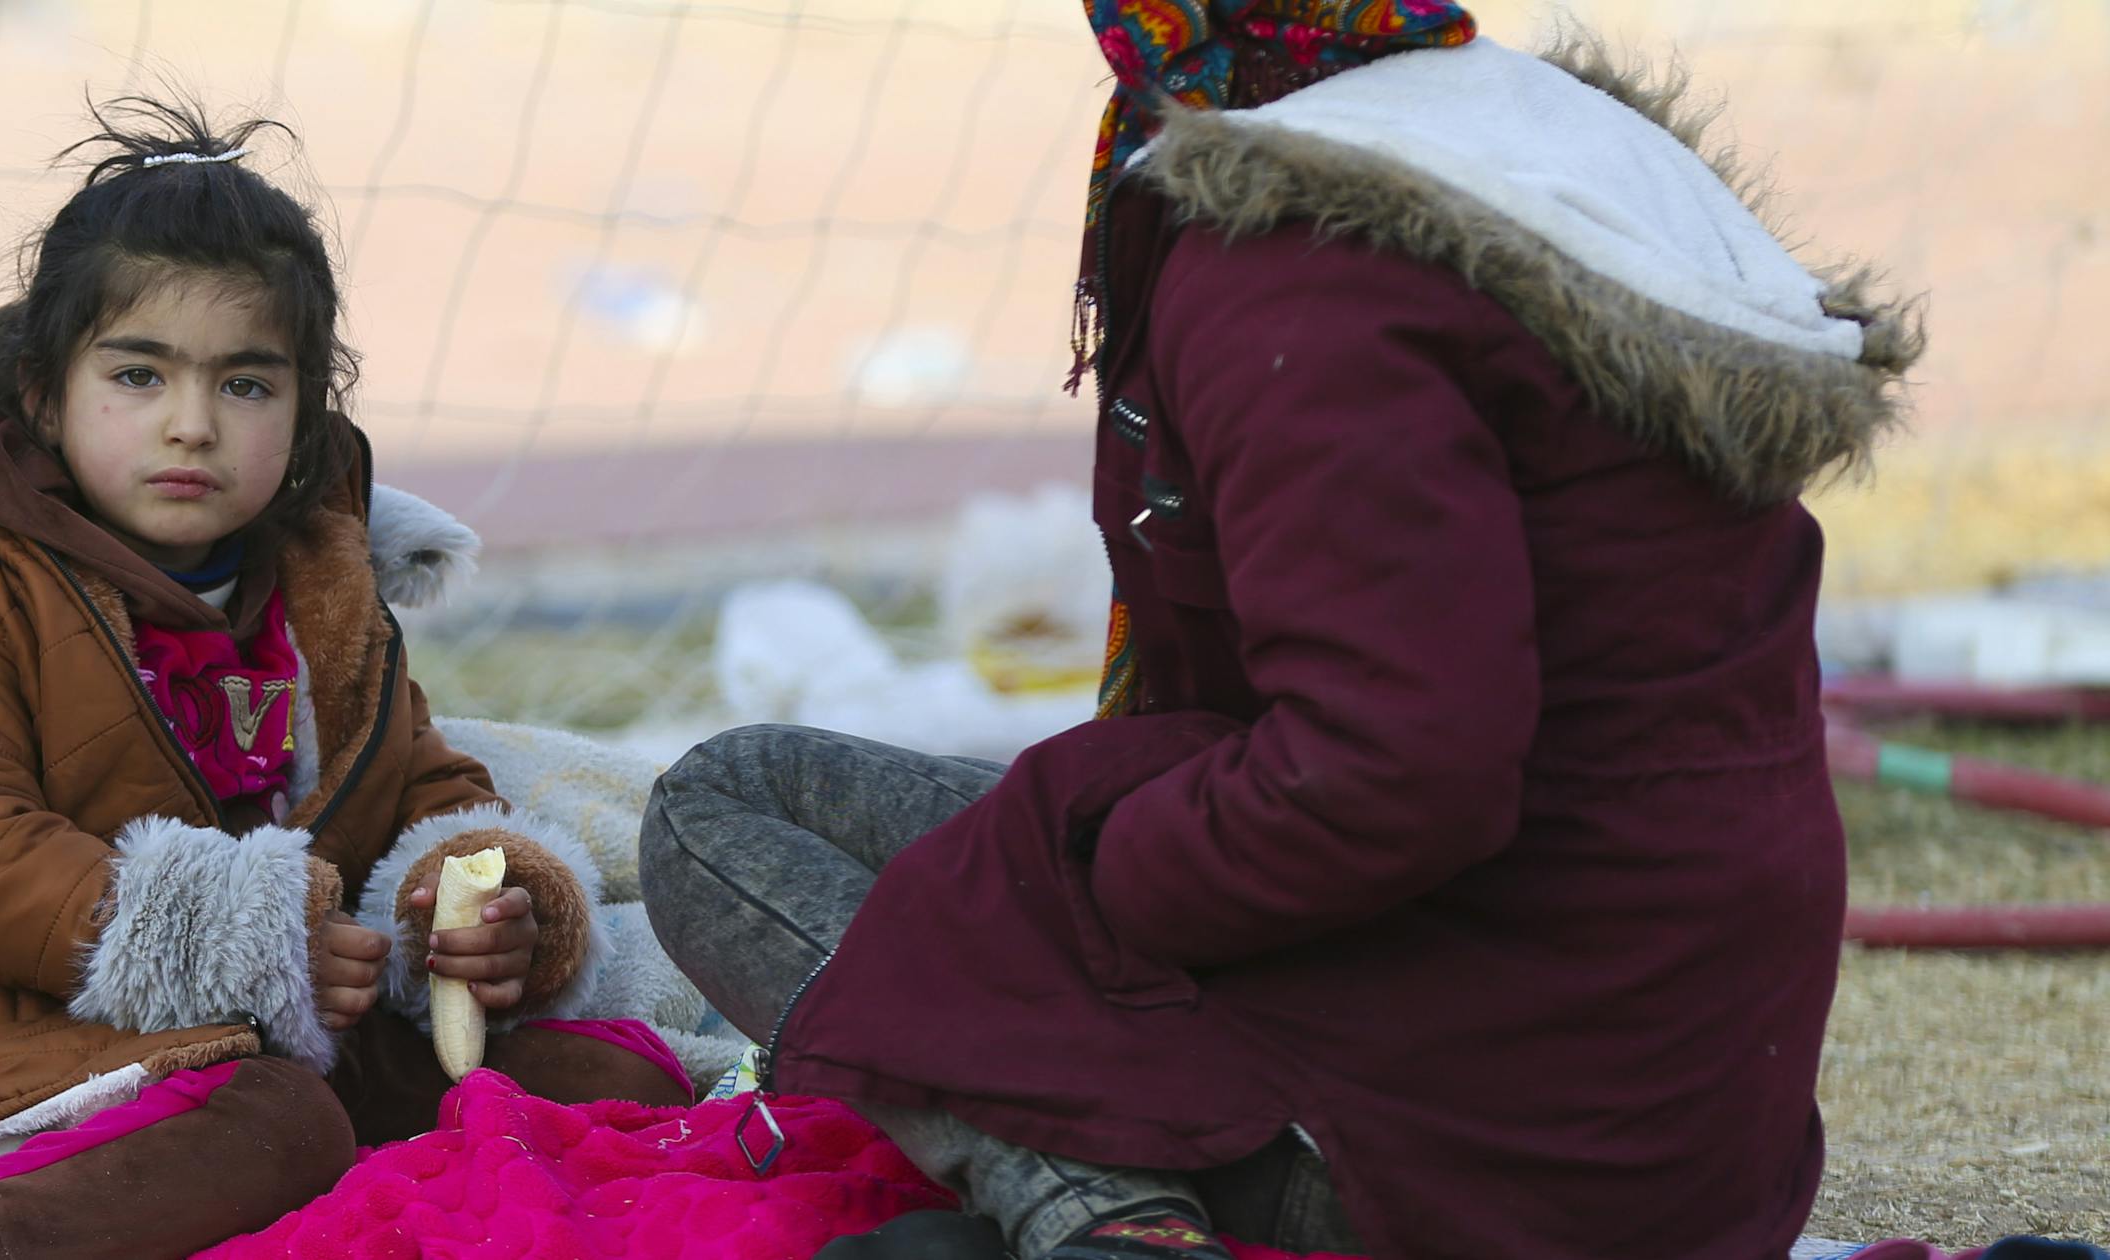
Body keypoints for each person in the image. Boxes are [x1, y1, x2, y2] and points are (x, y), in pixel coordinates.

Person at [638, 5, 1920, 1260]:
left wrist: (1102, 884)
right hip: (1677, 1121)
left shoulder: (1302, 253)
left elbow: (1397, 773)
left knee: (713, 830)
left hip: (1474, 1140)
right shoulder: (1543, 148)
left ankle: (1093, 1208)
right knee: (755, 791)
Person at [0, 99, 690, 1260]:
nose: (191, 426)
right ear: (45, 393)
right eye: (139, 376)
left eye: (246, 386)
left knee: (587, 1069)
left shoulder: (322, 583)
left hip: (276, 1021)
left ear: (304, 416)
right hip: (5, 1032)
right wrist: (245, 941)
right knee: (279, 1124)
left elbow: (415, 775)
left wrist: (479, 901)